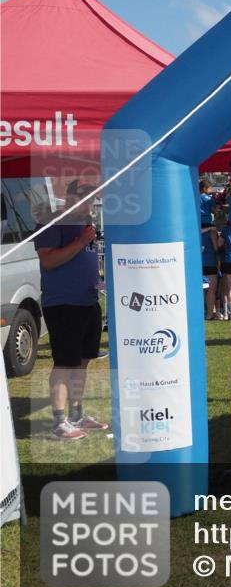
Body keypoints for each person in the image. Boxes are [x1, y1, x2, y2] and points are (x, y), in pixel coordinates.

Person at [34, 180, 108, 440]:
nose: (90, 203)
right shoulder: (53, 222)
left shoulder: (85, 223)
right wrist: (81, 241)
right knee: (65, 363)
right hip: (63, 303)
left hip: (89, 300)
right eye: (85, 197)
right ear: (68, 197)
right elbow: (49, 259)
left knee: (82, 363)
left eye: (92, 198)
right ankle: (58, 421)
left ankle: (77, 414)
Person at [200, 215, 222, 320]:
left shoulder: (193, 230)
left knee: (201, 290)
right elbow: (216, 247)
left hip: (199, 263)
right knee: (211, 291)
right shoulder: (212, 232)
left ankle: (201, 312)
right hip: (210, 263)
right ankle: (209, 313)